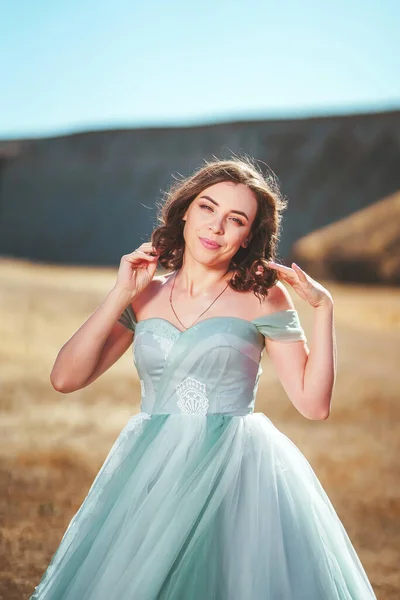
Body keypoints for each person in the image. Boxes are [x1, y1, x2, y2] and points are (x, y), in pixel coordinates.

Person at [30, 156, 377, 599]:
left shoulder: (264, 295)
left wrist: (324, 308)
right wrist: (121, 294)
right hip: (151, 469)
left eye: (235, 220)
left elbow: (314, 405)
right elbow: (65, 378)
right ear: (187, 211)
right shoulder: (145, 295)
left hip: (235, 473)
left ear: (249, 235)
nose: (216, 227)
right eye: (207, 209)